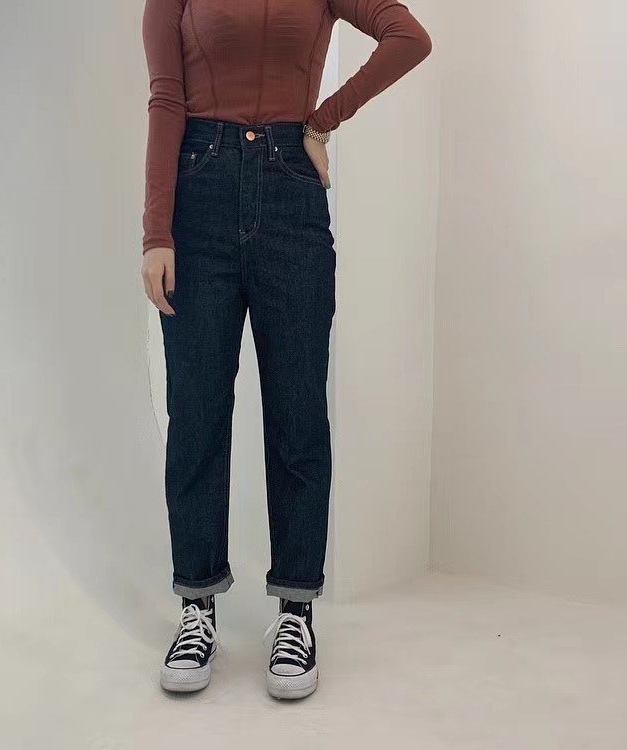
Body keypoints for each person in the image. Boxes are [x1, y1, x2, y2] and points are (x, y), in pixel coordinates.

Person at [141, 0, 431, 699]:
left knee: (299, 417)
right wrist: (156, 232)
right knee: (197, 416)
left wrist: (324, 119)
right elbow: (166, 99)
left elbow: (408, 37)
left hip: (290, 195)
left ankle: (296, 611)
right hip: (198, 194)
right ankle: (196, 605)